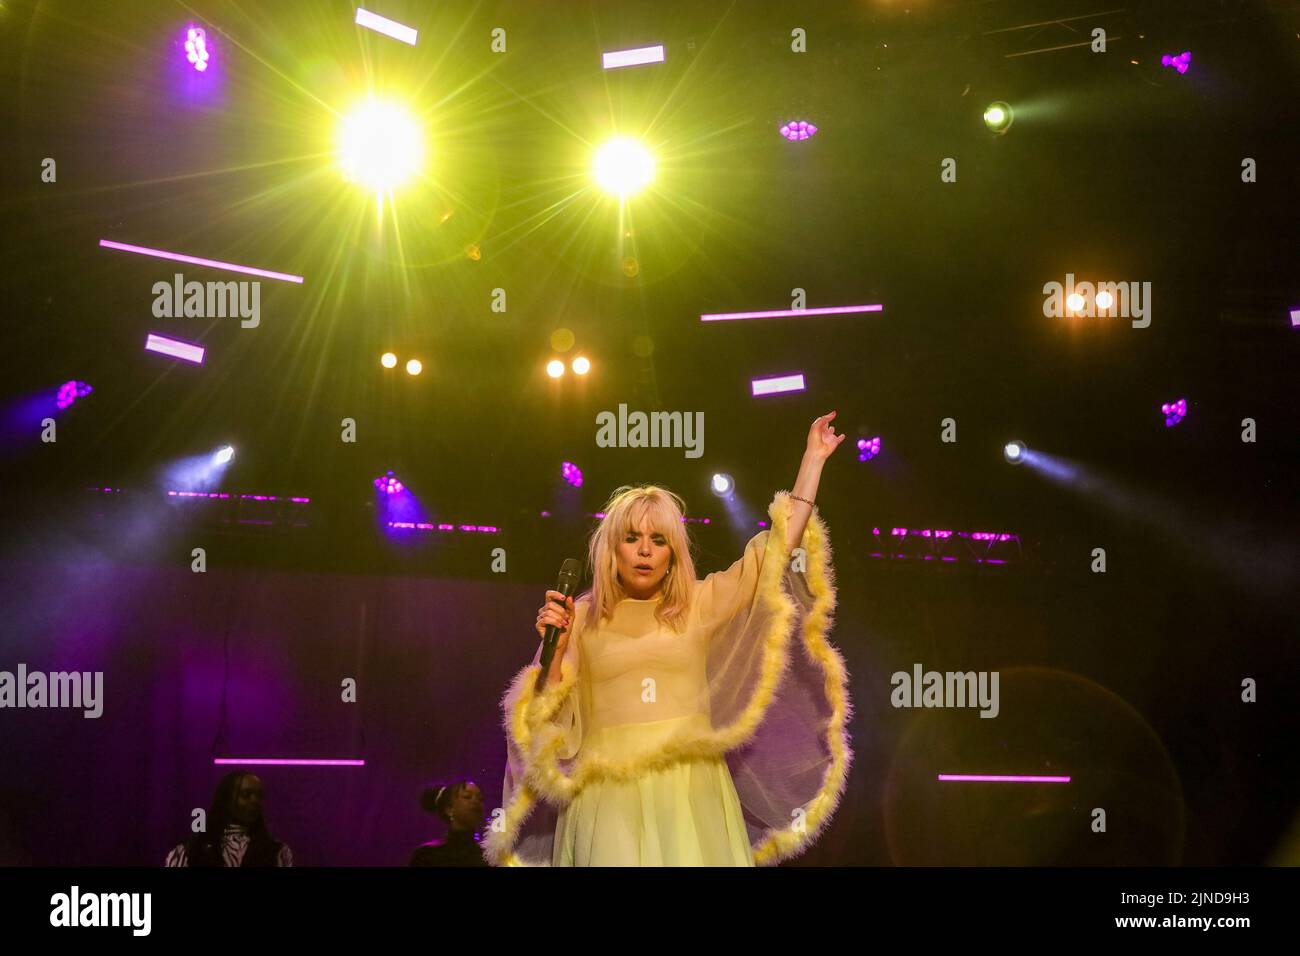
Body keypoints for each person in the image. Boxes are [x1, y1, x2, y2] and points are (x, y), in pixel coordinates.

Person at [486, 412, 852, 866]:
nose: (644, 550)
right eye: (632, 538)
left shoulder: (699, 603)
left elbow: (777, 548)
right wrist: (555, 654)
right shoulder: (580, 616)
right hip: (607, 791)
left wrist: (812, 460)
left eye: (658, 539)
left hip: (689, 786)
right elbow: (546, 717)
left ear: (673, 553)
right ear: (611, 549)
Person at [164, 771, 293, 867]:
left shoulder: (277, 852)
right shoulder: (191, 850)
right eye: (246, 795)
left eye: (259, 796)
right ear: (226, 799)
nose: (255, 801)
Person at [410, 780, 489, 867]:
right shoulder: (427, 856)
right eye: (467, 797)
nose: (476, 801)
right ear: (449, 809)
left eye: (480, 798)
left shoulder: (489, 855)